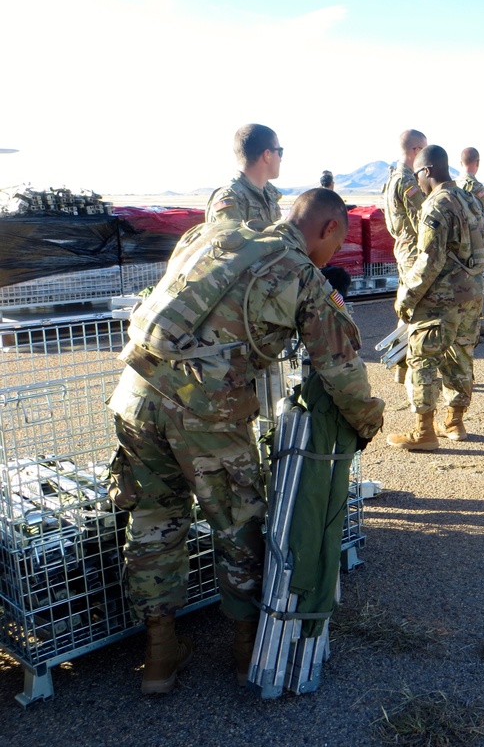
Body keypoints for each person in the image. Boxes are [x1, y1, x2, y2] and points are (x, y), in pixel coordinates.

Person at [108, 188, 385, 694]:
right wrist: (367, 421)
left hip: (135, 395)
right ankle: (245, 651)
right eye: (338, 242)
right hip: (206, 413)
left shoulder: (209, 234)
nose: (334, 255)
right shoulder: (300, 274)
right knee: (240, 527)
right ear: (327, 229)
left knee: (152, 520)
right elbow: (342, 369)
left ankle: (159, 657)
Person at [387, 145, 484, 450]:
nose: (416, 181)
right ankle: (455, 423)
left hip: (442, 299)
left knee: (422, 359)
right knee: (461, 356)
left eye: (417, 174)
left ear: (426, 171)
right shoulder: (469, 198)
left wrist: (405, 298)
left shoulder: (436, 205)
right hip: (472, 294)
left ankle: (423, 432)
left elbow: (429, 260)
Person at [383, 129, 428, 382]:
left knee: (407, 307)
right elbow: (422, 218)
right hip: (412, 251)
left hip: (403, 247)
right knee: (415, 309)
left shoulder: (393, 177)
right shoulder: (407, 181)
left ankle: (402, 365)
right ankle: (409, 366)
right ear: (416, 151)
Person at [454, 147, 484, 337]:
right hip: (476, 244)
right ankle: (475, 327)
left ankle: (461, 325)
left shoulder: (453, 184)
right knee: (478, 285)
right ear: (477, 163)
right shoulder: (476, 187)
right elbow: (483, 219)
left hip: (458, 243)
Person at [206, 124, 283, 225]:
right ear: (267, 154)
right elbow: (227, 240)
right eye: (280, 152)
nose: (281, 159)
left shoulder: (269, 194)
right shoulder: (231, 199)